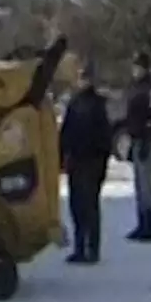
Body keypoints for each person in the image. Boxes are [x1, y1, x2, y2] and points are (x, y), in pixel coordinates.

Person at [59, 60, 113, 264]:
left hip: (92, 161)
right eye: (81, 77)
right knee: (76, 206)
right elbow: (66, 132)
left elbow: (104, 136)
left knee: (90, 206)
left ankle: (93, 248)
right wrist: (61, 155)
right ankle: (79, 246)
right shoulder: (74, 103)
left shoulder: (97, 105)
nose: (83, 81)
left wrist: (102, 161)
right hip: (76, 161)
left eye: (86, 77)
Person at [125, 51, 151, 242]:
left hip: (147, 139)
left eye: (138, 67)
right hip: (137, 138)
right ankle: (141, 222)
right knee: (139, 184)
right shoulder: (135, 88)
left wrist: (147, 139)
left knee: (147, 183)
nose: (135, 70)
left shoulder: (149, 89)